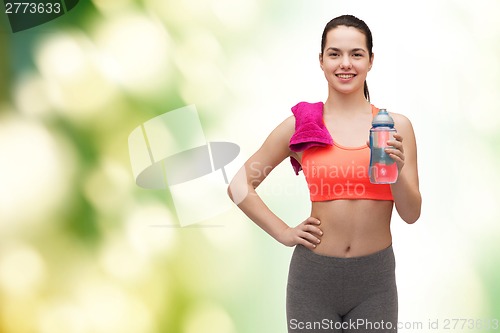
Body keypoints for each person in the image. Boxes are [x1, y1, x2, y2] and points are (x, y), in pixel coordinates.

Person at [228, 14, 421, 333]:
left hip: (375, 283)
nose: (345, 63)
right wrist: (283, 232)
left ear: (371, 61)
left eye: (356, 54)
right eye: (335, 53)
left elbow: (411, 214)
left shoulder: (394, 128)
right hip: (313, 280)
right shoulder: (301, 126)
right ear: (321, 60)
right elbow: (239, 185)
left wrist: (397, 172)